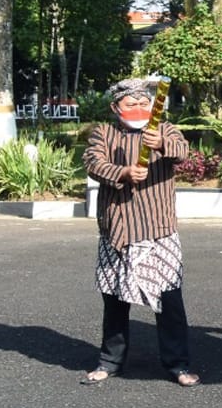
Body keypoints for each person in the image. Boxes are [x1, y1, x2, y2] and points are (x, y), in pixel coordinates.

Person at [81, 78, 198, 386]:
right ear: (115, 107)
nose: (138, 108)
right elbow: (93, 163)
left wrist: (160, 143)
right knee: (115, 301)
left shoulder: (165, 129)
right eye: (130, 104)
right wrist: (124, 172)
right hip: (118, 229)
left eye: (144, 103)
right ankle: (110, 361)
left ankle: (178, 364)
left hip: (159, 229)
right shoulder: (103, 133)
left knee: (170, 300)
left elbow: (183, 153)